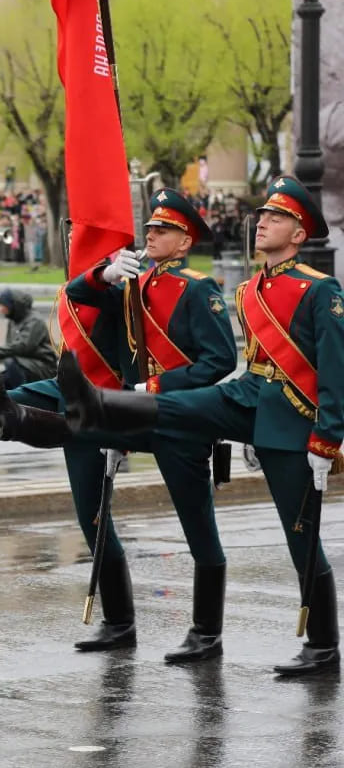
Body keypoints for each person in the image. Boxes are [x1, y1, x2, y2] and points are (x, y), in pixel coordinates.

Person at [59, 176, 343, 676]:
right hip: (248, 393)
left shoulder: (319, 290)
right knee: (183, 407)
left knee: (301, 533)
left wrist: (329, 436)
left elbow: (335, 367)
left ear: (299, 234)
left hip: (290, 412)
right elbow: (245, 361)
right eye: (265, 215)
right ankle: (104, 409)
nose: (264, 223)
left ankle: (323, 645)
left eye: (277, 218)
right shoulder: (251, 289)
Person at [0, 188, 237, 662]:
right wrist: (104, 272)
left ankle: (207, 631)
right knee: (87, 500)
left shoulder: (198, 288)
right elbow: (77, 291)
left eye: (162, 230)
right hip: (127, 406)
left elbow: (220, 359)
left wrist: (156, 388)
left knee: (197, 526)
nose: (150, 235)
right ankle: (120, 621)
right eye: (149, 228)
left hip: (180, 416)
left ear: (184, 242)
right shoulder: (131, 283)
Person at [0, 289, 56, 388]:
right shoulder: (13, 321)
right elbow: (10, 348)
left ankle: (23, 396)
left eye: (2, 305)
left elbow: (21, 347)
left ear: (13, 305)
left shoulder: (35, 321)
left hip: (43, 365)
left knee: (10, 363)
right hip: (25, 363)